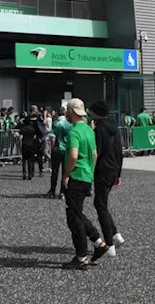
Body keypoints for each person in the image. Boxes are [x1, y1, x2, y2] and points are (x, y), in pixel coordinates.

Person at [62, 99, 108, 269]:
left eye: (67, 109)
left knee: (74, 218)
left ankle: (81, 257)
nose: (66, 112)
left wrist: (66, 175)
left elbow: (73, 156)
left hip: (76, 176)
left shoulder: (74, 132)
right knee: (76, 213)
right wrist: (90, 171)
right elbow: (94, 154)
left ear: (72, 111)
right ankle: (98, 242)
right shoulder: (89, 130)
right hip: (86, 175)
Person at [88, 100, 124, 257]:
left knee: (100, 205)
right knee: (102, 203)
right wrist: (119, 173)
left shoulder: (99, 130)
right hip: (113, 169)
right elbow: (119, 151)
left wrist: (90, 171)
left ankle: (109, 243)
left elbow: (97, 152)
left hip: (102, 169)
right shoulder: (114, 128)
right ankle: (115, 234)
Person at [48, 105, 72, 199]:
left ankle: (52, 190)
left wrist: (52, 148)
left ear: (57, 113)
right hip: (66, 150)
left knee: (55, 171)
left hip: (57, 149)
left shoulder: (56, 123)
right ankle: (63, 191)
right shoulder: (69, 124)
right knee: (65, 172)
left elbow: (52, 138)